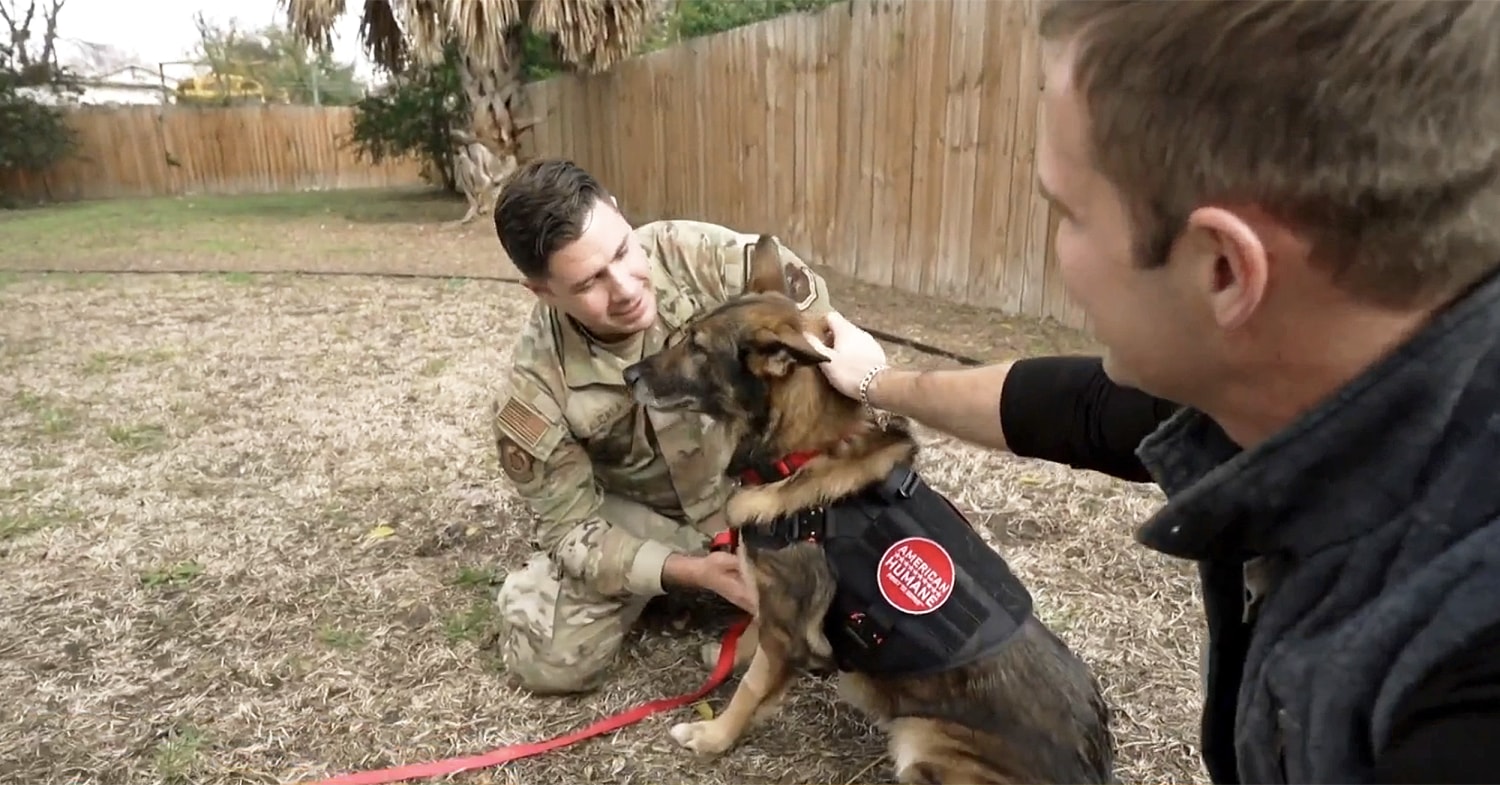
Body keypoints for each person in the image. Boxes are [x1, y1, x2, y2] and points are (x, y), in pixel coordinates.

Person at [804, 2, 1500, 783]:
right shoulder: (1330, 363)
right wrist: (877, 381)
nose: (1058, 249)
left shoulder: (1461, 703)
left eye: (1068, 213)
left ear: (1223, 270)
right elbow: (1083, 409)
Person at [486, 158, 837, 695]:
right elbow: (571, 531)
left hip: (757, 487)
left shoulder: (705, 258)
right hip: (654, 520)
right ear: (543, 292)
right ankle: (589, 588)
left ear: (619, 214)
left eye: (622, 251)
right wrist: (690, 572)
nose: (625, 288)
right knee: (552, 662)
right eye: (589, 282)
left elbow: (825, 341)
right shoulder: (533, 391)